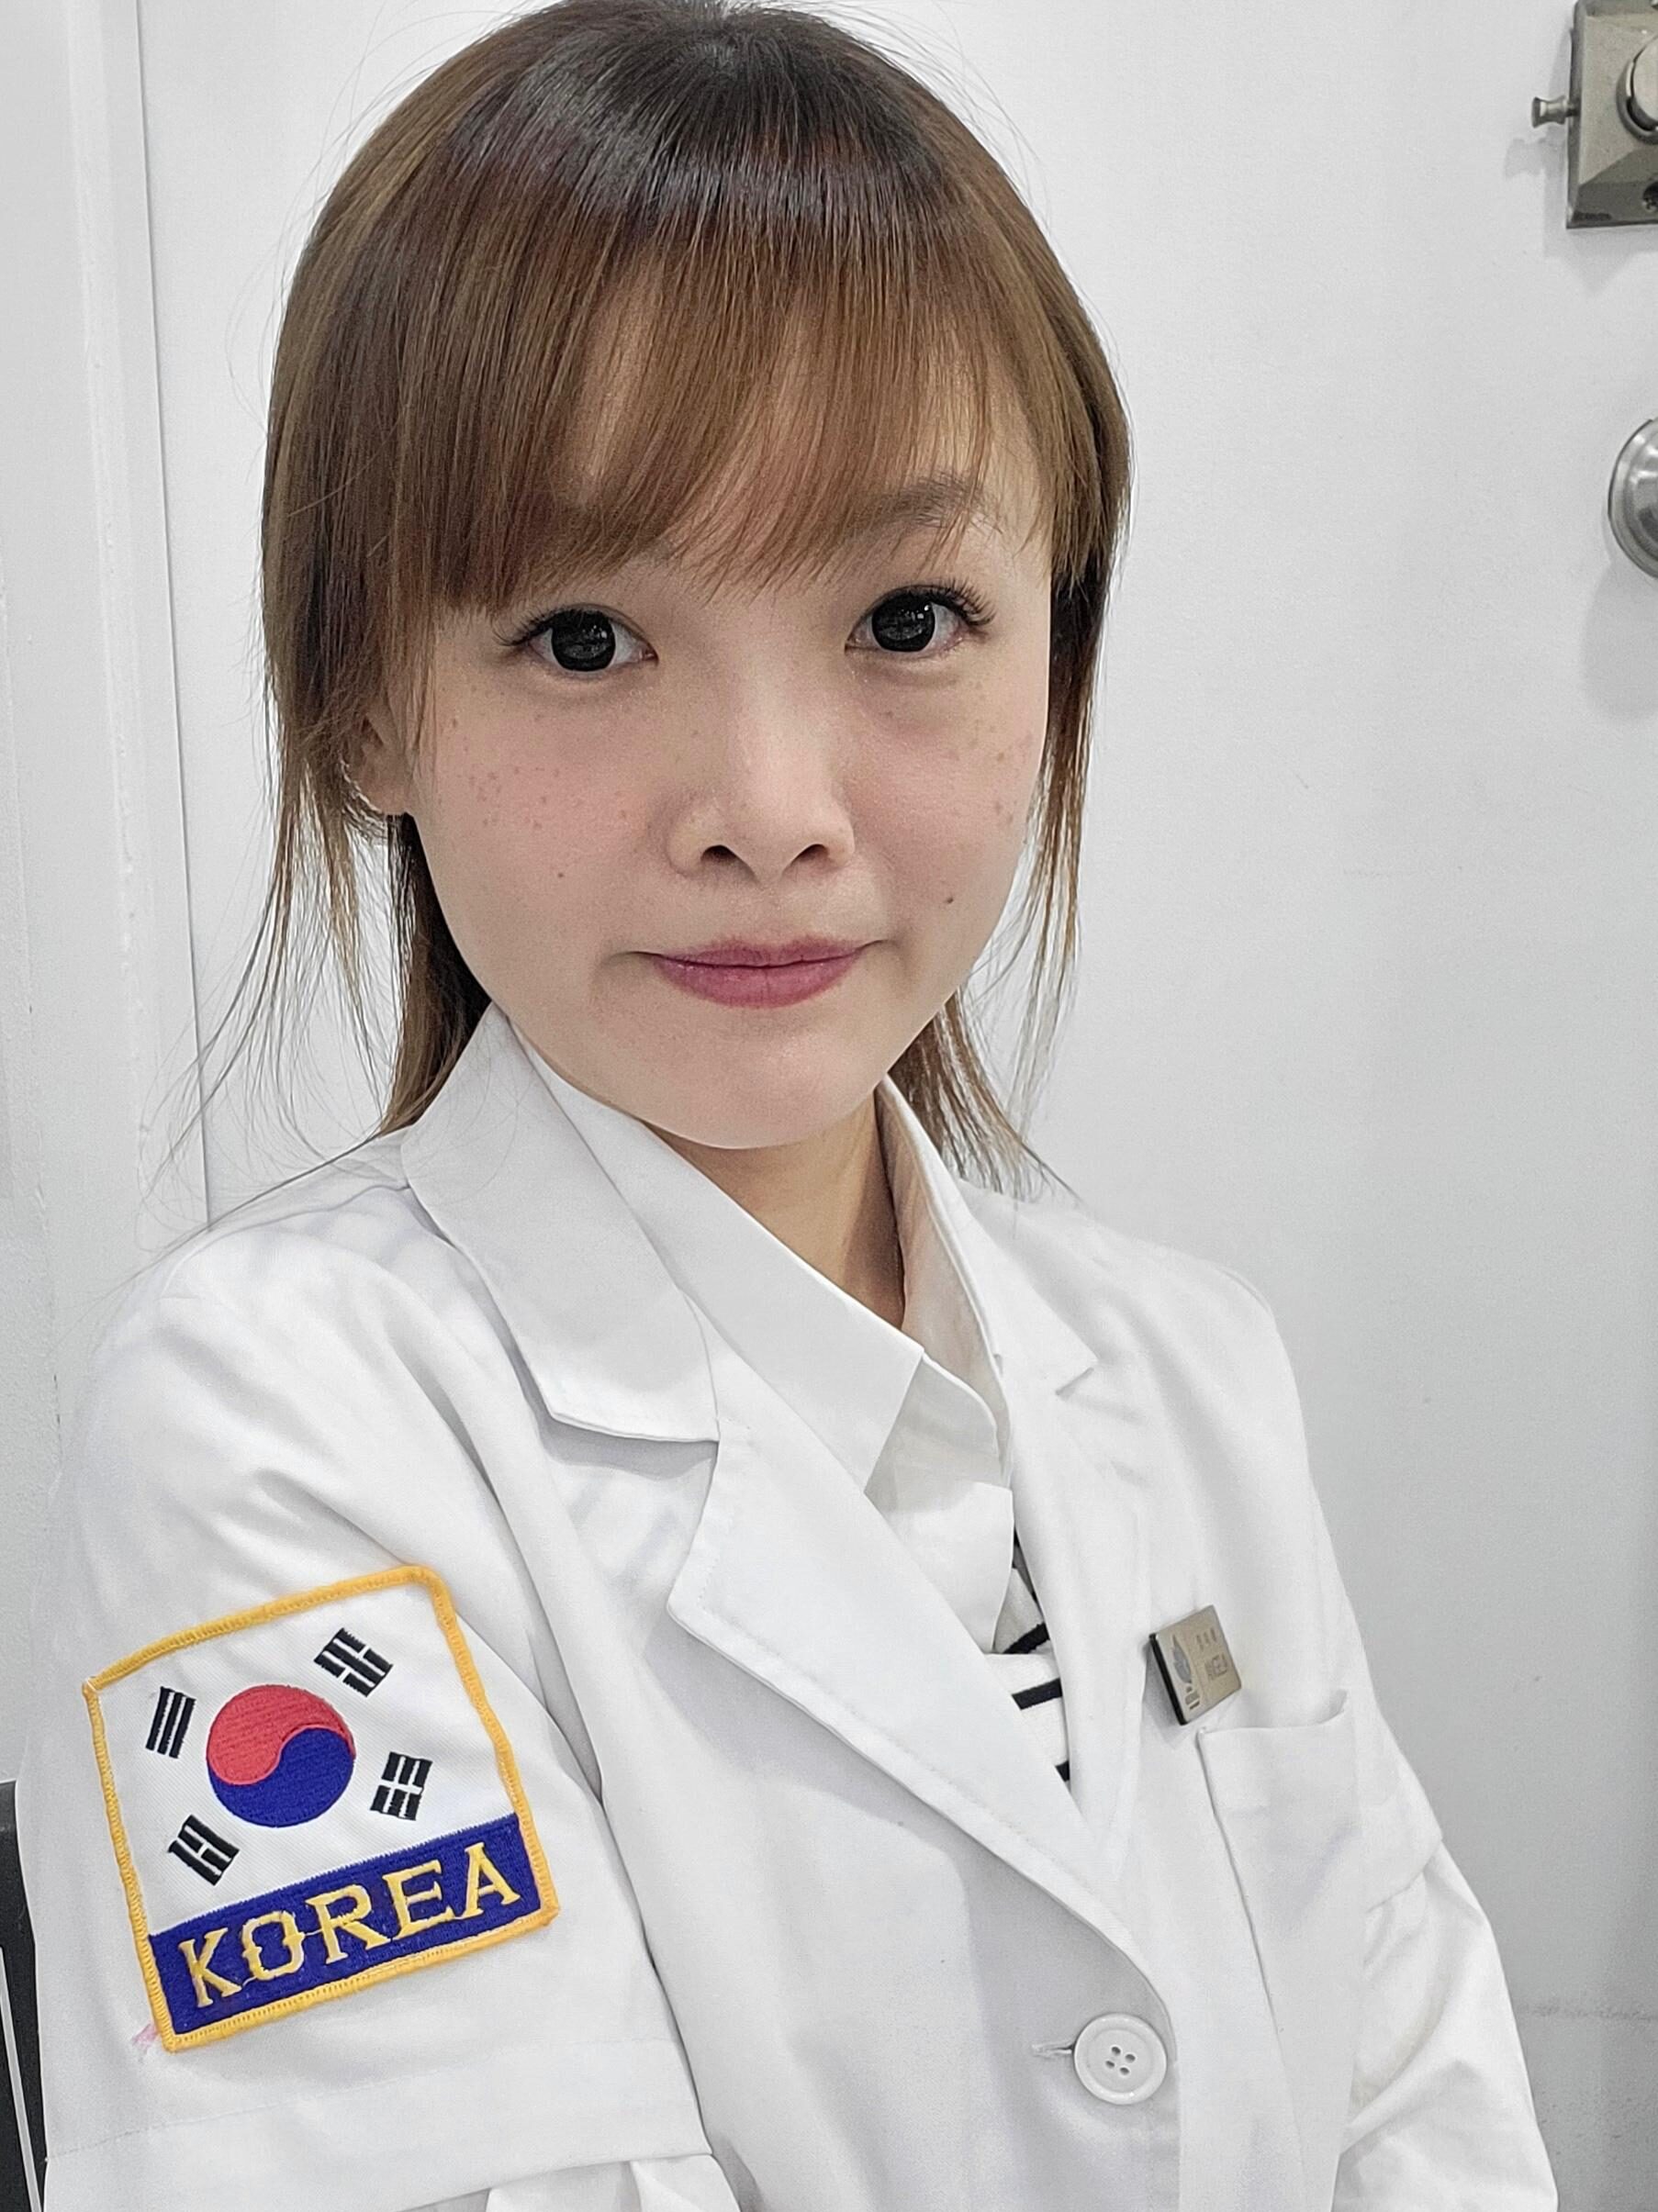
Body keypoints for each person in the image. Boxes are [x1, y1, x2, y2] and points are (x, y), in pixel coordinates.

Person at [15, 1, 1559, 2206]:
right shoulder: (266, 1425)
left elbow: (1424, 2100)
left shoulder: (1188, 1370)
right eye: (583, 636)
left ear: (1057, 659)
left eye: (909, 615)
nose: (768, 807)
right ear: (365, 703)